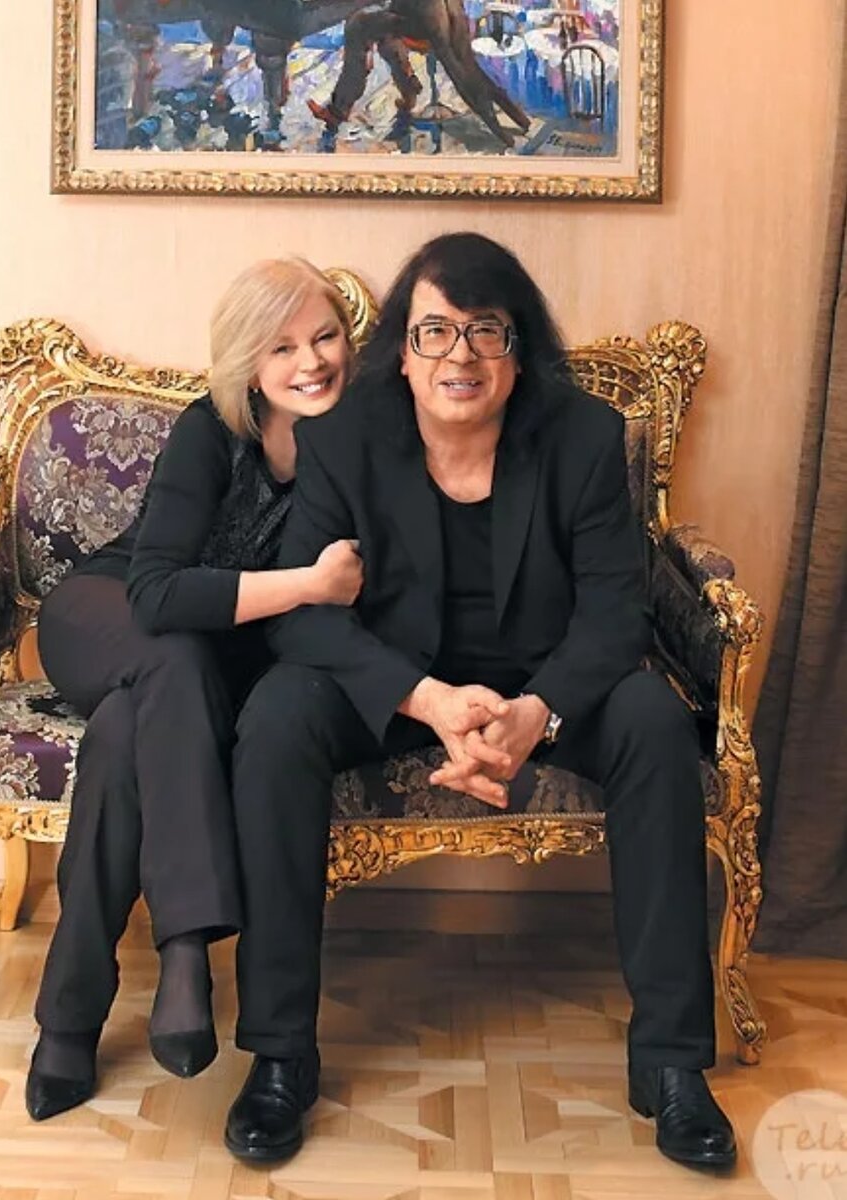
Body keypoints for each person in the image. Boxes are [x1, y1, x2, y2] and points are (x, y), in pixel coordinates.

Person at [224, 233, 737, 1171]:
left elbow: (615, 611)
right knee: (276, 717)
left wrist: (537, 710)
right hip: (399, 683)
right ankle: (279, 1054)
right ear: (401, 351)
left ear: (517, 347)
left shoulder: (582, 437)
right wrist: (424, 700)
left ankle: (670, 1063)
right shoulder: (344, 440)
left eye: (484, 331)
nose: (458, 356)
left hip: (545, 679)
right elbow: (306, 618)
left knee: (655, 723)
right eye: (434, 332)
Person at [26, 258, 362, 1122]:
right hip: (106, 614)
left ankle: (67, 1020)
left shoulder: (366, 444)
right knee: (170, 659)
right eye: (281, 346)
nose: (310, 361)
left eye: (324, 336)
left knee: (121, 737)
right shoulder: (210, 431)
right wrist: (307, 586)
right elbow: (155, 595)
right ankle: (185, 948)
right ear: (248, 360)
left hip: (199, 671)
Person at [307, 0, 530, 148]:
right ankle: (519, 121)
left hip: (421, 18)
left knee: (357, 25)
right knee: (467, 67)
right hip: (451, 11)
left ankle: (340, 109)